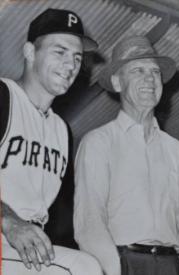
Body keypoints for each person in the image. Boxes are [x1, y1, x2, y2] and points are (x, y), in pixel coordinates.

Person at [74, 35, 179, 275]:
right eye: (138, 70)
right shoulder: (99, 143)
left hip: (171, 265)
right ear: (118, 82)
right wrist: (113, 270)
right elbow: (90, 223)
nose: (150, 78)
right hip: (123, 263)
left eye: (155, 72)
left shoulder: (178, 152)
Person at [0, 8, 103, 275]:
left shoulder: (61, 130)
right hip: (7, 234)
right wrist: (9, 221)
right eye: (60, 52)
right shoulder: (3, 97)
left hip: (28, 247)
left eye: (77, 57)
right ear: (30, 52)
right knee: (84, 268)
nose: (71, 65)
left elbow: (58, 219)